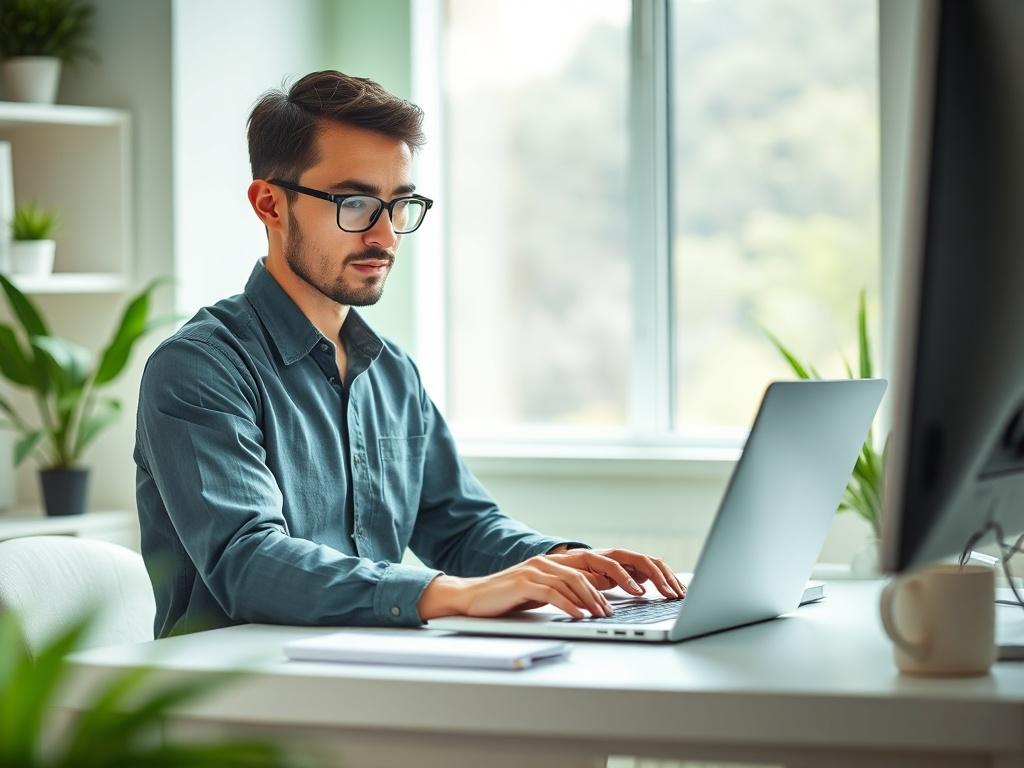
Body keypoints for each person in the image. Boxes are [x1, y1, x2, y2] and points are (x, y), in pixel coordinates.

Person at [134, 70, 685, 639]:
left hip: (373, 671)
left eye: (399, 205)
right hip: (237, 694)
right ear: (270, 204)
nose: (385, 236)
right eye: (354, 203)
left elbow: (460, 527)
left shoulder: (391, 372)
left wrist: (565, 563)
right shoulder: (198, 369)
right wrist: (452, 595)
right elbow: (247, 561)